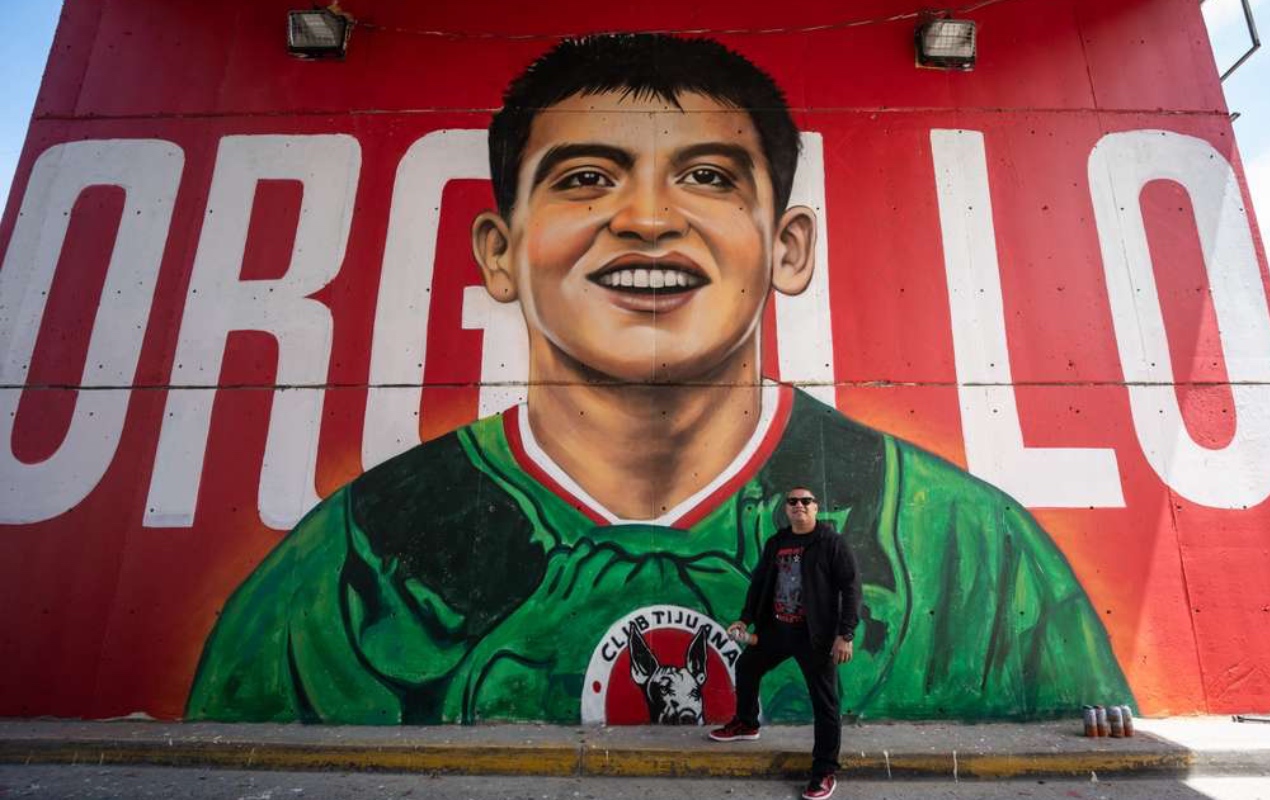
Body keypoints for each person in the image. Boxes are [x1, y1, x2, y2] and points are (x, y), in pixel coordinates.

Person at [186, 33, 1134, 726]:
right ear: (501, 251)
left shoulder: (975, 556)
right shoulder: (338, 584)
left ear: (788, 246)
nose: (645, 220)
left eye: (711, 178)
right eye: (585, 178)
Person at [710, 487, 859, 800]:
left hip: (815, 636)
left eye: (806, 501)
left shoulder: (831, 542)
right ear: (786, 509)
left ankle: (824, 771)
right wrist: (745, 619)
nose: (799, 505)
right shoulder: (777, 543)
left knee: (825, 704)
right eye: (793, 501)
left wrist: (845, 634)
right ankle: (747, 724)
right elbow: (760, 583)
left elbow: (851, 588)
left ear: (816, 507)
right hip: (777, 630)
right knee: (747, 665)